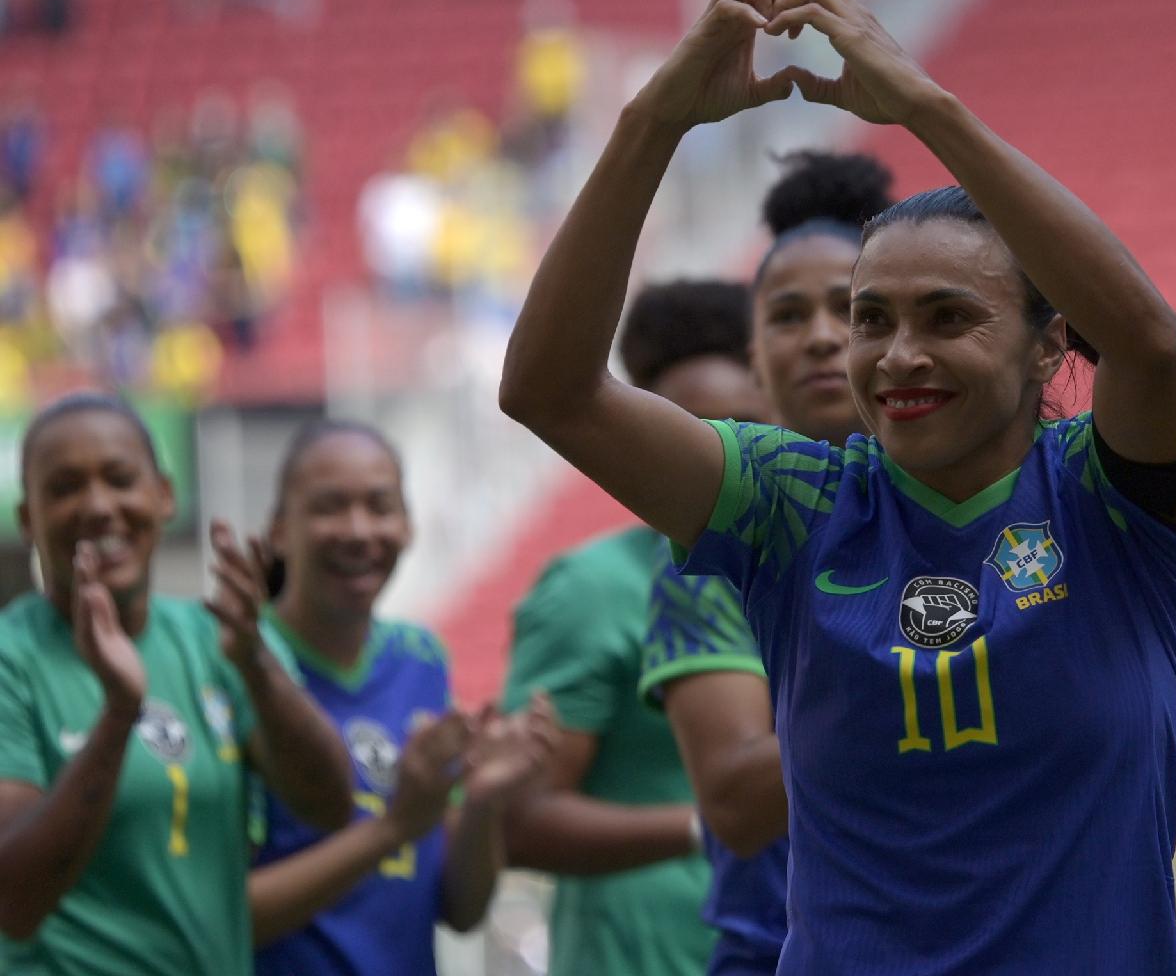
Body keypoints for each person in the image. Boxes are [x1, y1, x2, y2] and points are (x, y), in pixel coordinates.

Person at [501, 0, 1176, 972]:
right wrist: (654, 118)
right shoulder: (792, 502)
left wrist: (923, 105)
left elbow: (1151, 343)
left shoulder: (1108, 499)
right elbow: (550, 390)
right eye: (870, 318)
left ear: (1051, 347)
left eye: (950, 317)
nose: (896, 353)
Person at [640, 150, 893, 975]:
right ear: (754, 358)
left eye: (851, 310)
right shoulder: (711, 560)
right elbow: (740, 804)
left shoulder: (993, 513)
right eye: (788, 315)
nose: (822, 337)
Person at [0, 392, 353, 972]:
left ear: (164, 496)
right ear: (26, 519)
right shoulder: (14, 661)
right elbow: (15, 903)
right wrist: (119, 714)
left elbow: (330, 805)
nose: (98, 506)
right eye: (64, 488)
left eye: (120, 479)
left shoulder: (217, 639)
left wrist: (257, 666)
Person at [502, 278, 771, 976]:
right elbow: (518, 819)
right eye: (689, 425)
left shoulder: (805, 570)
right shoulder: (589, 590)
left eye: (745, 422)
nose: (720, 448)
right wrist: (708, 823)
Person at [251, 420, 557, 976]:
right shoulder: (243, 665)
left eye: (380, 506)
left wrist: (483, 803)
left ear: (410, 526)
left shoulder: (420, 660)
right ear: (277, 530)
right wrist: (392, 828)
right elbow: (226, 915)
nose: (359, 529)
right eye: (329, 507)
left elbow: (459, 911)